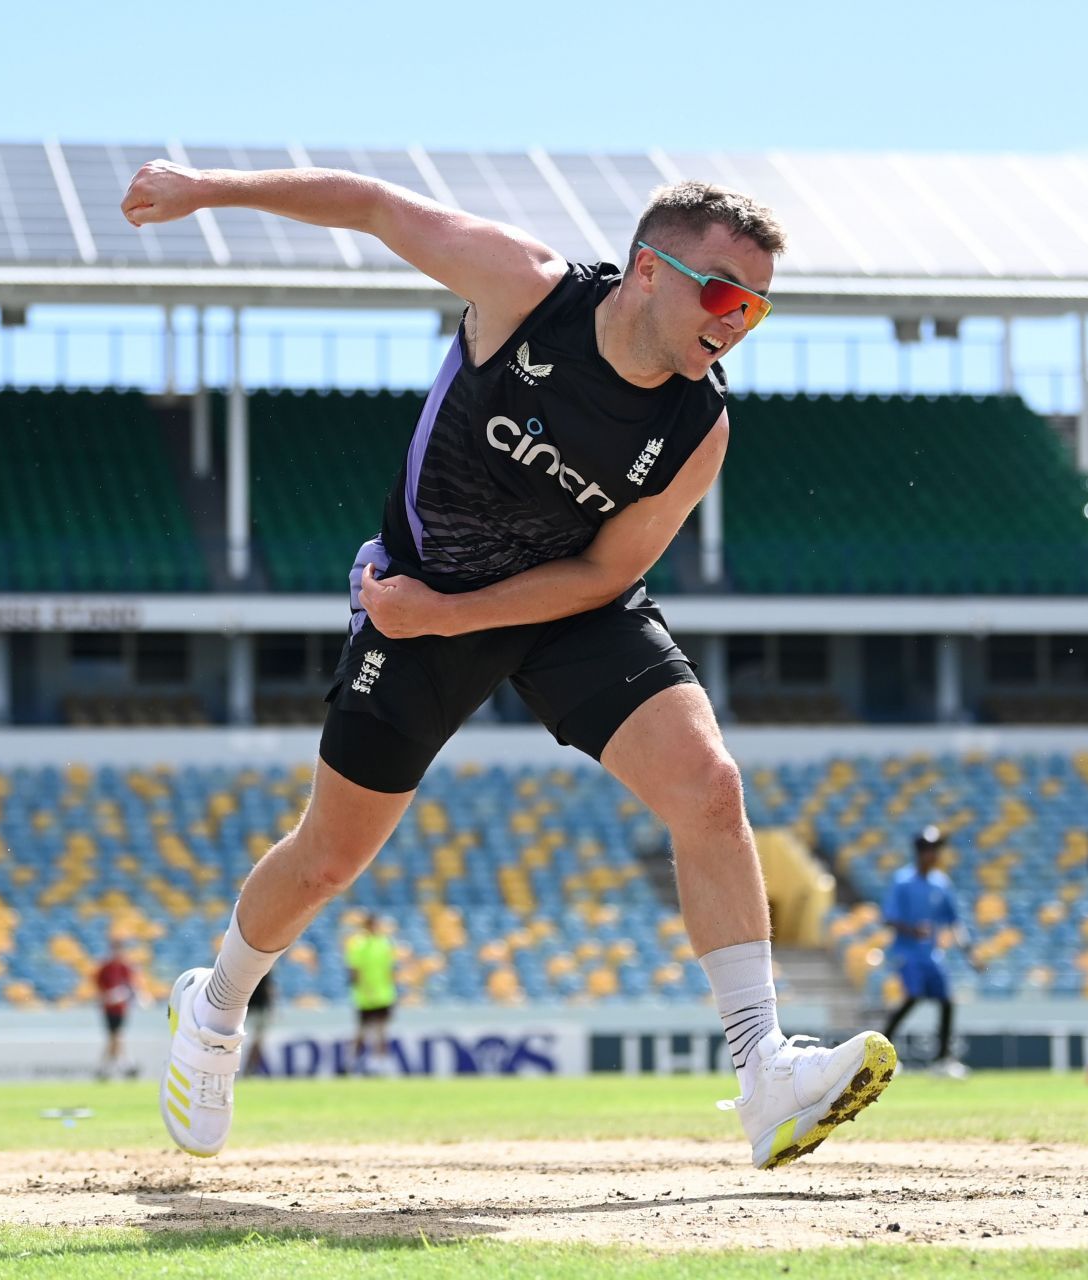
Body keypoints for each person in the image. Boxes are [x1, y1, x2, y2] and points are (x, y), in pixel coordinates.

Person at [125, 158, 896, 1171]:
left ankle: (765, 1075)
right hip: (418, 594)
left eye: (756, 304)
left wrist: (457, 613)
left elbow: (602, 572)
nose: (736, 317)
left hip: (562, 601)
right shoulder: (524, 291)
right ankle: (212, 1008)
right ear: (647, 271)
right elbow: (372, 205)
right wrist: (203, 188)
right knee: (328, 857)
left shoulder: (699, 426)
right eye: (720, 289)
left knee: (709, 787)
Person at [881, 827, 978, 1079]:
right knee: (912, 996)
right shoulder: (902, 881)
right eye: (930, 849)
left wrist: (968, 951)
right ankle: (884, 1054)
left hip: (931, 954)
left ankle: (943, 1060)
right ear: (919, 852)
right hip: (908, 952)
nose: (934, 854)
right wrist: (913, 930)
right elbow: (889, 918)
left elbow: (953, 921)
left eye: (936, 849)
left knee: (946, 1001)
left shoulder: (941, 883)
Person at [345, 913, 397, 1074]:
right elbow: (354, 970)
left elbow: (389, 970)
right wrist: (361, 988)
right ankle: (352, 1063)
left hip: (383, 994)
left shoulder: (384, 944)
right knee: (362, 1031)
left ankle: (380, 1064)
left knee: (382, 1030)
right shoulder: (358, 944)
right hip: (365, 996)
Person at [94, 939, 137, 1081]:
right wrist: (109, 996)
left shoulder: (125, 968)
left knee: (115, 1037)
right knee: (115, 1037)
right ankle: (123, 1065)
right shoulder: (105, 968)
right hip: (109, 1008)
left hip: (121, 1008)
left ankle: (105, 1068)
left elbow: (130, 986)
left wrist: (122, 995)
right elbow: (99, 987)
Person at [243, 973, 275, 1076]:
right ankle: (245, 1070)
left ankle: (249, 1070)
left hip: (258, 1009)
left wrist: (270, 1008)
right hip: (245, 1009)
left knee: (256, 1043)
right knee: (247, 1043)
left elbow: (268, 988)